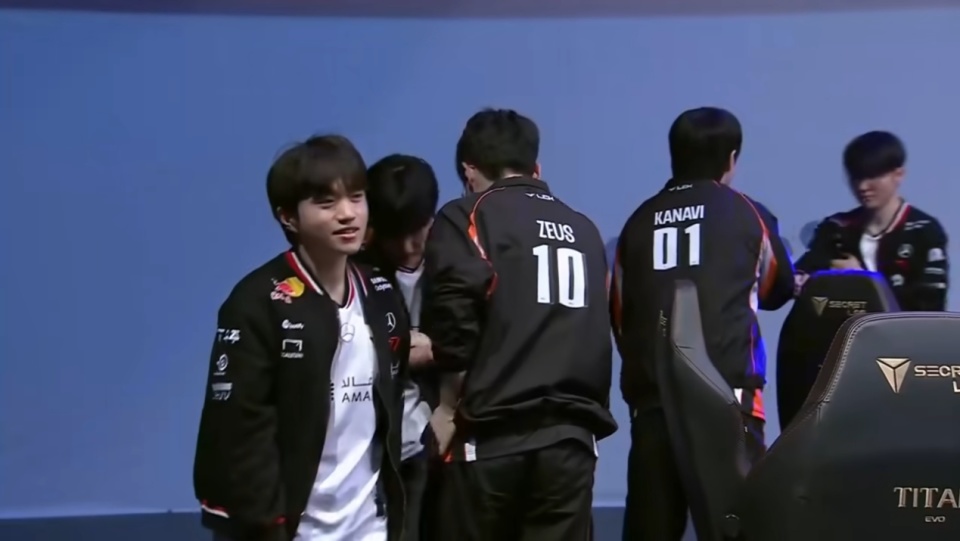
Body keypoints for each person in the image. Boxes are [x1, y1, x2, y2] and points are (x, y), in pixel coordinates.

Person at [192, 135, 409, 541]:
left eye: (356, 197)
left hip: (372, 526)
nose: (348, 214)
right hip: (294, 529)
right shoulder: (257, 301)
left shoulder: (380, 293)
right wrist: (267, 525)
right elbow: (240, 432)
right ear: (289, 217)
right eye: (326, 203)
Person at [422, 108, 618, 541]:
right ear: (536, 168)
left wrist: (448, 407)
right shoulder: (585, 230)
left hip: (493, 439)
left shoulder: (466, 216)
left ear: (469, 170)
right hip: (572, 443)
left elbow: (455, 321)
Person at [610, 107, 795, 541]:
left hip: (654, 408)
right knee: (741, 530)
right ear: (731, 159)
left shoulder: (638, 222)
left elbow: (620, 315)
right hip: (731, 404)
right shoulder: (748, 213)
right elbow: (778, 287)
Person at [361, 153, 441, 540]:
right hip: (379, 451)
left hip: (443, 444)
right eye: (397, 235)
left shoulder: (458, 260)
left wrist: (439, 351)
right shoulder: (355, 270)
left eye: (418, 231)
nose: (409, 247)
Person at [794, 130, 949, 310]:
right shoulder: (836, 228)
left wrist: (863, 282)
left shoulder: (924, 230)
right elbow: (799, 276)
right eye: (856, 177)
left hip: (903, 328)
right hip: (841, 327)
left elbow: (930, 304)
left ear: (898, 175)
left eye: (873, 176)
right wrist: (806, 279)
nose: (862, 187)